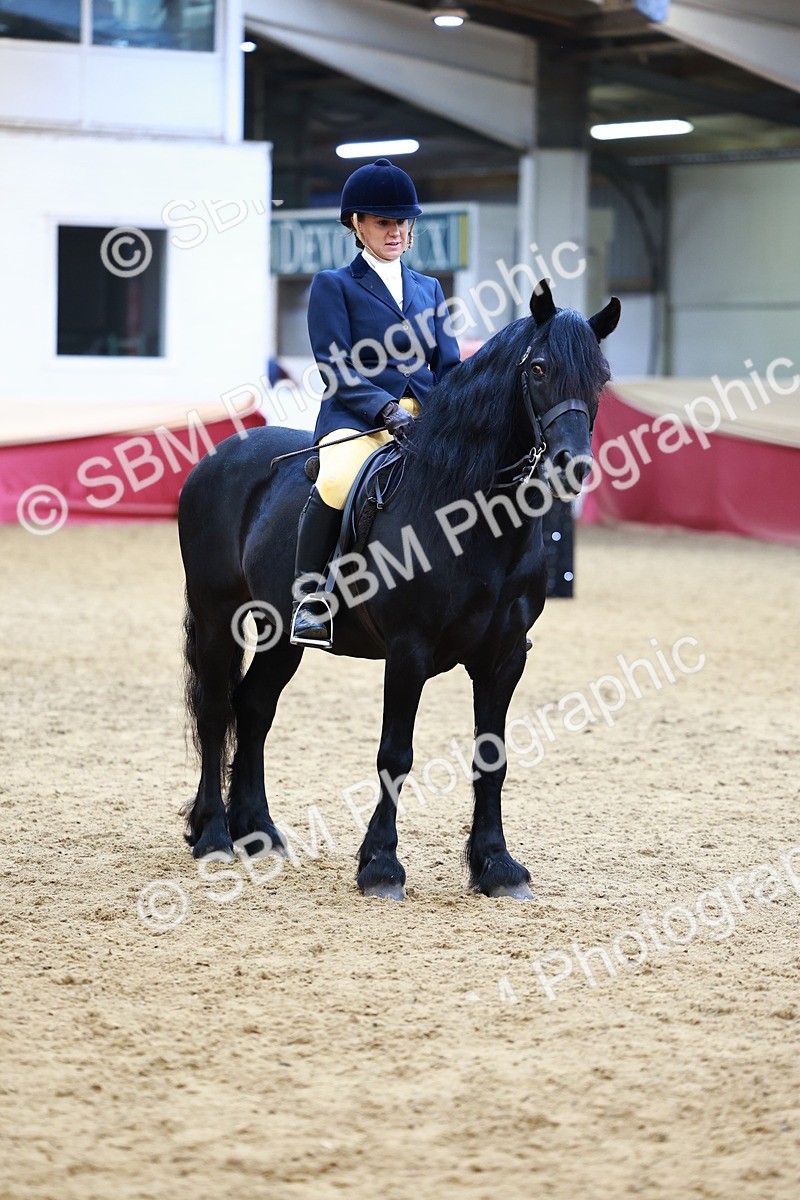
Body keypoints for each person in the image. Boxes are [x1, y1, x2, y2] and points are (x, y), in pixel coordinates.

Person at [290, 157, 461, 648]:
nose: (395, 231)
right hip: (357, 417)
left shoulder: (429, 288)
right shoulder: (334, 285)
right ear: (356, 224)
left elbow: (447, 366)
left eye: (402, 222)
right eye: (384, 222)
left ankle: (485, 599)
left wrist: (457, 409)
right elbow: (335, 366)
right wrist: (385, 410)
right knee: (339, 479)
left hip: (425, 417)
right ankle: (311, 599)